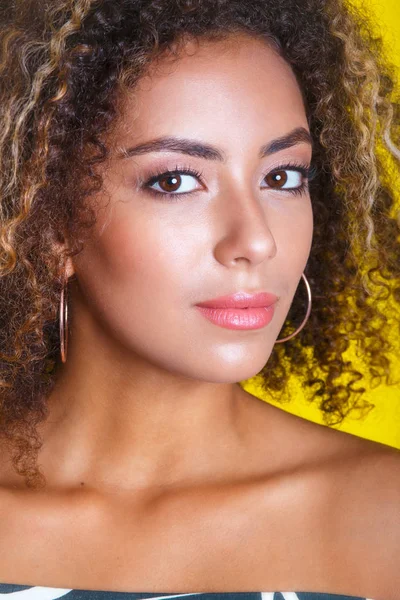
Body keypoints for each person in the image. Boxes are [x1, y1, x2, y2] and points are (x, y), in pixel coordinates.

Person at [0, 0, 399, 599]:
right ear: (49, 222)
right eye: (176, 180)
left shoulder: (383, 521)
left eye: (283, 177)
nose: (257, 240)